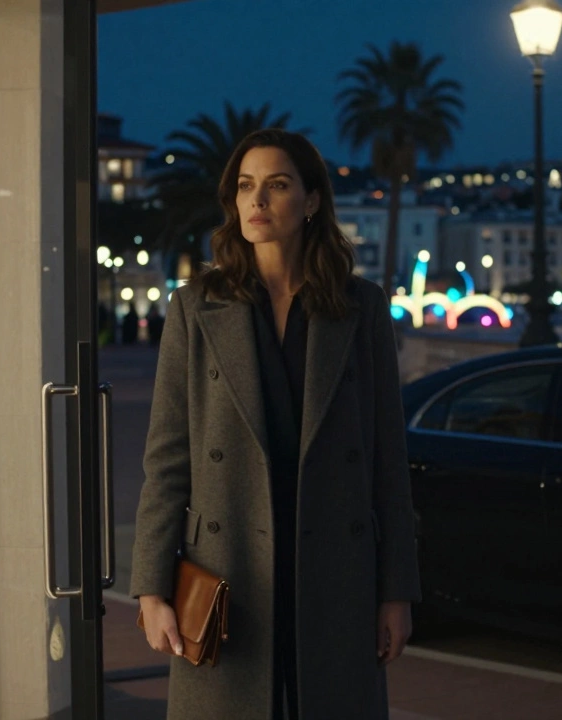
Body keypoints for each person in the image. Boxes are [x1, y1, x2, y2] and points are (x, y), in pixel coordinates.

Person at [131, 129, 419, 720]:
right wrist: (151, 589)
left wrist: (396, 593)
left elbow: (388, 459)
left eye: (277, 185)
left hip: (335, 565)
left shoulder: (360, 307)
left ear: (312, 201)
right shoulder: (196, 307)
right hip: (227, 565)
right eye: (245, 186)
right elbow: (167, 460)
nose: (257, 200)